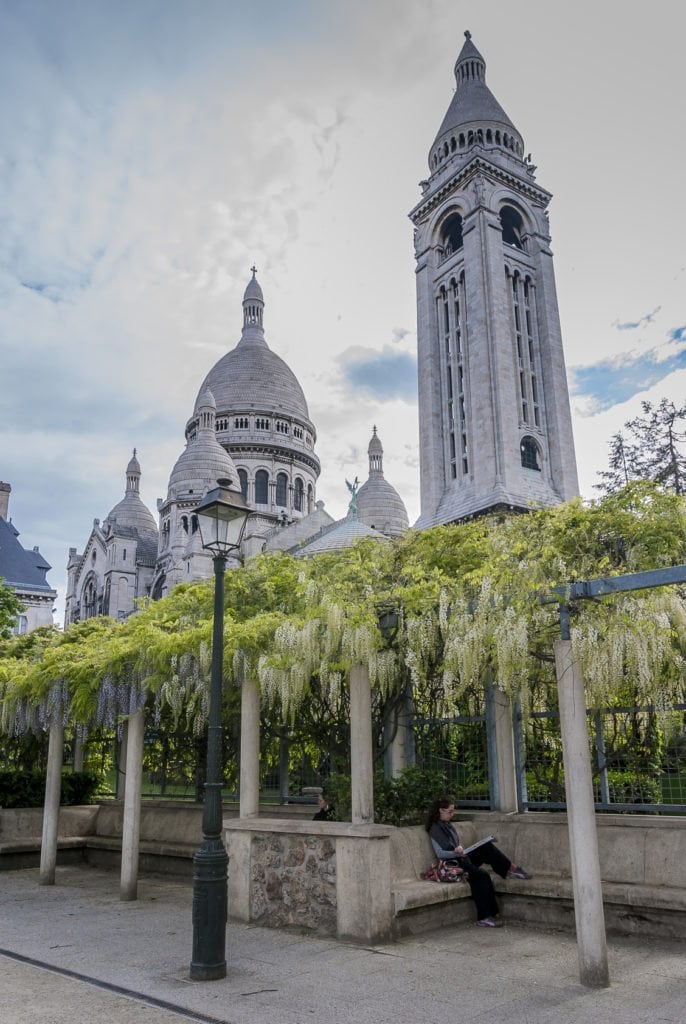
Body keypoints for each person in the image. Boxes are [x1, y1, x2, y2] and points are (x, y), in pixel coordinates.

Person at [424, 796, 531, 928]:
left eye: (453, 811)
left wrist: (462, 850)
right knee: (482, 876)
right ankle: (484, 917)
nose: (453, 814)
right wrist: (456, 853)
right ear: (440, 811)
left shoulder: (448, 826)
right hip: (453, 864)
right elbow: (440, 854)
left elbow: (455, 844)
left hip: (462, 857)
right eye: (450, 811)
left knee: (487, 847)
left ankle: (510, 868)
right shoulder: (434, 829)